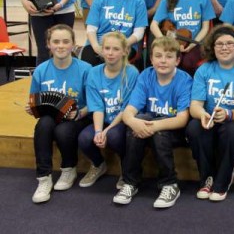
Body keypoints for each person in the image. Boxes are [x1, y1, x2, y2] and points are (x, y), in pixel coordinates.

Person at [113, 37, 192, 208]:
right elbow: (129, 112)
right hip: (148, 126)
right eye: (158, 56)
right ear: (151, 59)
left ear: (177, 60)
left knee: (157, 130)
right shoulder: (146, 75)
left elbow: (182, 119)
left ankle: (170, 184)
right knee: (137, 122)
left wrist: (153, 126)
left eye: (169, 56)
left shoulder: (184, 80)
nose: (163, 60)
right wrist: (134, 122)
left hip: (173, 130)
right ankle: (130, 183)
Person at [186, 25, 234, 202]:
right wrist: (202, 114)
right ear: (212, 48)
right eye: (219, 44)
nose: (225, 48)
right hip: (208, 117)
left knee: (232, 132)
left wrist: (229, 114)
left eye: (230, 43)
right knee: (194, 128)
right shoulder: (204, 70)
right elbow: (195, 106)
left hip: (232, 120)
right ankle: (206, 178)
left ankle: (222, 182)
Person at [25, 24, 92, 203]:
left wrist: (79, 113)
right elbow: (36, 99)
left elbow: (94, 103)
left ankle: (69, 168)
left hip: (78, 116)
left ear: (73, 44)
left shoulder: (86, 69)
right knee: (43, 124)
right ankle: (44, 177)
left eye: (65, 41)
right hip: (51, 116)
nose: (60, 46)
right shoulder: (41, 70)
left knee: (63, 131)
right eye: (56, 41)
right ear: (48, 44)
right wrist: (32, 109)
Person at [77, 32, 139, 189]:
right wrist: (98, 132)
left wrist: (107, 131)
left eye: (116, 49)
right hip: (102, 119)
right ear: (101, 50)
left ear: (125, 51)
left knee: (114, 136)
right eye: (107, 48)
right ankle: (98, 165)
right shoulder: (93, 73)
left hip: (123, 120)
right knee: (85, 138)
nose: (110, 53)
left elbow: (127, 108)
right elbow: (97, 106)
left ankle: (127, 169)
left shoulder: (132, 73)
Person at [150, 0, 214, 75]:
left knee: (187, 62)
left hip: (194, 43)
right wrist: (166, 42)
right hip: (172, 43)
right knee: (168, 61)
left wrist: (192, 44)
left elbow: (205, 28)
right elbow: (153, 25)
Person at [82, 0, 147, 66]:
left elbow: (139, 33)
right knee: (88, 61)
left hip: (125, 43)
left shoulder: (138, 1)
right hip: (99, 43)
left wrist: (120, 46)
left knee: (114, 62)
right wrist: (96, 47)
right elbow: (91, 29)